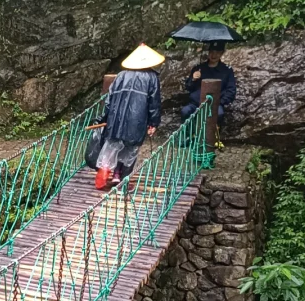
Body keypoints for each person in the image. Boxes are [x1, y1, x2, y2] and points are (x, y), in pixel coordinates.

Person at [94, 43, 164, 191]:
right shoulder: (152, 78)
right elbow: (154, 103)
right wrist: (154, 123)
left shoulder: (120, 76)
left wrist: (104, 118)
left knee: (111, 148)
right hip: (136, 121)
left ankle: (101, 181)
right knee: (130, 150)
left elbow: (109, 99)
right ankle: (121, 180)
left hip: (115, 119)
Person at [181, 41, 236, 123]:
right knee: (185, 111)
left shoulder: (227, 70)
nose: (214, 55)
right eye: (212, 52)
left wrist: (221, 102)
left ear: (221, 53)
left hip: (215, 104)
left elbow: (231, 90)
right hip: (196, 103)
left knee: (219, 114)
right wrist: (193, 79)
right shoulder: (198, 68)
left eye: (217, 52)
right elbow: (188, 87)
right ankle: (188, 134)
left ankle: (214, 135)